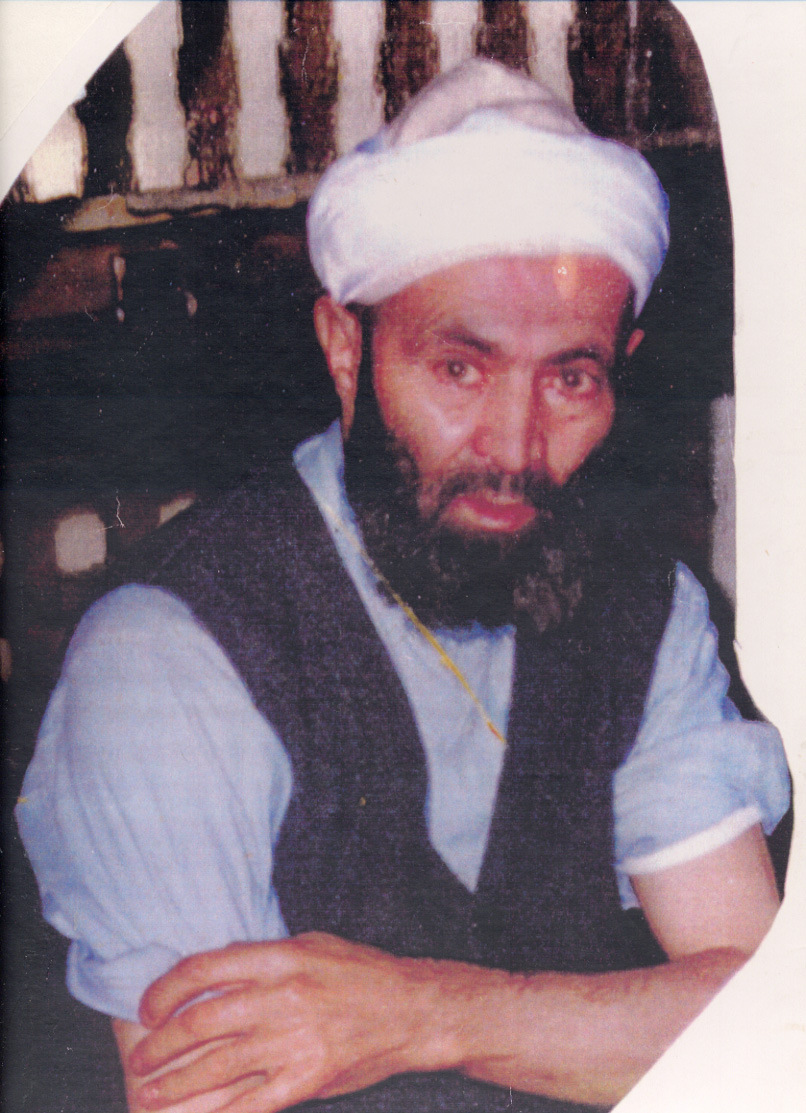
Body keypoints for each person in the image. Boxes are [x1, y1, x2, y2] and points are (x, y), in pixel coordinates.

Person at [17, 60, 790, 1113]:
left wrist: (430, 1014)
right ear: (347, 350)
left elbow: (770, 1032)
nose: (513, 449)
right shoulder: (168, 657)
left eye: (570, 377)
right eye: (459, 369)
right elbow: (205, 1092)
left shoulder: (644, 613)